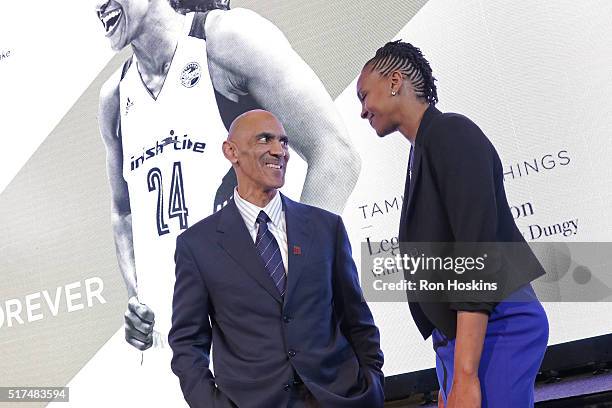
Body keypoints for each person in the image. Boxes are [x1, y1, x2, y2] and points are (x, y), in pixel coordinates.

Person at [96, 0, 359, 373]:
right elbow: (122, 211)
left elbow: (336, 155)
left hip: (255, 351)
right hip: (171, 358)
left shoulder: (222, 39)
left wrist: (299, 290)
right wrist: (136, 294)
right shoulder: (114, 96)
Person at [356, 40, 549, 408]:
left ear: (395, 81)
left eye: (365, 95)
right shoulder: (422, 151)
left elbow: (475, 253)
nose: (363, 110)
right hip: (465, 337)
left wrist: (464, 375)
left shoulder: (451, 133)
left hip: (498, 326)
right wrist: (450, 370)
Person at [169, 109, 384, 408]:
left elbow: (356, 318)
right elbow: (187, 343)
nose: (279, 151)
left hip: (339, 398)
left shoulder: (326, 227)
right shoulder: (197, 246)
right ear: (231, 151)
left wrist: (372, 381)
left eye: (283, 142)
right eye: (264, 139)